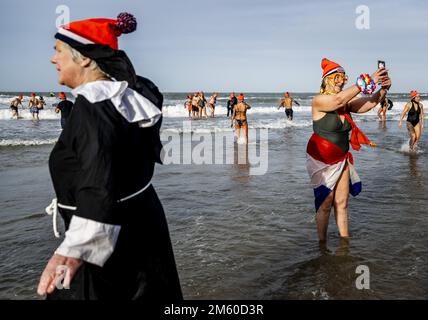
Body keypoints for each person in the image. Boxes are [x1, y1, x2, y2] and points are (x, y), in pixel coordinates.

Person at [38, 12, 182, 300]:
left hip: (108, 235)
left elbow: (98, 178)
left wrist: (75, 251)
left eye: (57, 52)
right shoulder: (125, 97)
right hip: (142, 221)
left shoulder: (95, 105)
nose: (53, 60)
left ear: (85, 58)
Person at [306, 58, 391, 243]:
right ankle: (322, 244)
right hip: (320, 160)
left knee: (342, 203)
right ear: (327, 79)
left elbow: (370, 103)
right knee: (326, 204)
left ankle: (345, 243)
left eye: (343, 77)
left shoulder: (347, 104)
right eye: (337, 77)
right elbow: (337, 100)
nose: (342, 81)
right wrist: (368, 79)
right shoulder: (319, 101)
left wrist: (384, 89)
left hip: (341, 158)